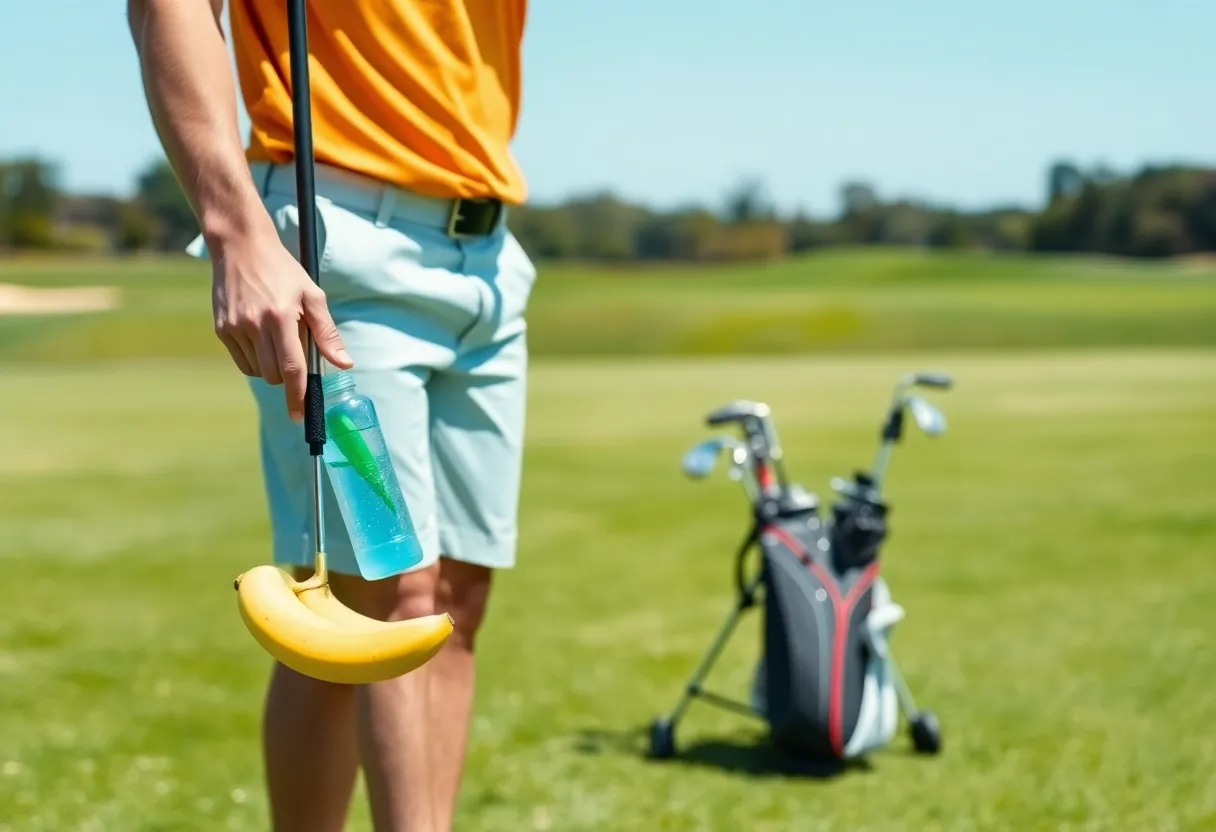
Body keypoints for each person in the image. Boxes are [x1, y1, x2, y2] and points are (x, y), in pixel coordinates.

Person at [127, 1, 534, 830]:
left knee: (453, 599)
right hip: (336, 252)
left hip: (487, 261)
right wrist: (236, 229)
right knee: (394, 588)